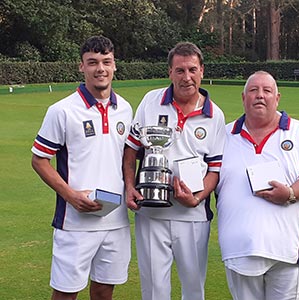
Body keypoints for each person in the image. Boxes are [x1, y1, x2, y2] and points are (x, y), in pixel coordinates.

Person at [31, 36, 133, 300]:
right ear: (82, 67)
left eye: (106, 62)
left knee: (103, 291)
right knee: (66, 293)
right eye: (93, 62)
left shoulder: (125, 109)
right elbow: (40, 160)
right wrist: (70, 195)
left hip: (116, 220)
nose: (100, 68)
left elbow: (126, 159)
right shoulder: (62, 110)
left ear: (115, 66)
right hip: (74, 222)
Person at [123, 42, 226, 300]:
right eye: (179, 71)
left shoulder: (215, 116)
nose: (186, 77)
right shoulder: (150, 101)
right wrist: (129, 186)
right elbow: (131, 150)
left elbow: (215, 169)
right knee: (154, 290)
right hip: (151, 211)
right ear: (170, 72)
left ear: (202, 70)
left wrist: (198, 198)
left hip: (192, 214)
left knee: (193, 290)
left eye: (192, 69)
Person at [215, 71, 299, 300]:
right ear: (243, 97)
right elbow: (206, 177)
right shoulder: (223, 134)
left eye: (267, 91)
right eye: (253, 90)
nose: (260, 96)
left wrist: (289, 193)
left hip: (287, 251)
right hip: (239, 250)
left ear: (277, 98)